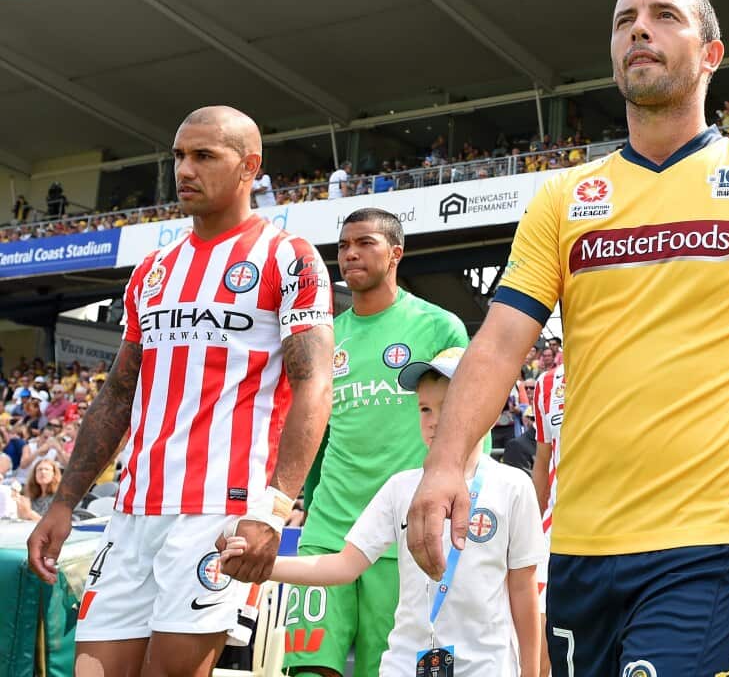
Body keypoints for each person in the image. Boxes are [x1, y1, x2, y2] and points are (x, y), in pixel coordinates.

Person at [405, 0, 729, 676]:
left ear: (711, 55)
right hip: (583, 547)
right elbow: (498, 344)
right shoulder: (562, 200)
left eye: (664, 16)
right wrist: (444, 467)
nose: (640, 29)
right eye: (625, 21)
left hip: (707, 542)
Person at [26, 105, 335, 676]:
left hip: (220, 512)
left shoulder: (288, 257)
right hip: (135, 510)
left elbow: (314, 384)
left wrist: (274, 509)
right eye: (178, 157)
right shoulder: (152, 270)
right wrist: (64, 501)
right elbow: (118, 393)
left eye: (203, 156)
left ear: (249, 167)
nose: (184, 170)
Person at [222, 347, 544, 676]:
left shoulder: (512, 487)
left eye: (447, 408)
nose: (433, 422)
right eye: (425, 409)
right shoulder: (400, 488)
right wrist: (261, 566)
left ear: (485, 408)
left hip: (487, 667)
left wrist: (532, 673)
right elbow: (344, 565)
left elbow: (523, 589)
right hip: (405, 664)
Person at [287, 208, 469, 677]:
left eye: (365, 243)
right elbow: (314, 428)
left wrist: (465, 500)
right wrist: (303, 499)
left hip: (402, 531)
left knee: (382, 668)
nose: (350, 254)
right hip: (328, 529)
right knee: (308, 667)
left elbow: (469, 420)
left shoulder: (439, 325)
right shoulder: (326, 336)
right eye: (344, 245)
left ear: (395, 253)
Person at [531, 360, 565, 677]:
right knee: (541, 656)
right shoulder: (547, 383)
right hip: (554, 536)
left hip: (621, 535)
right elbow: (543, 462)